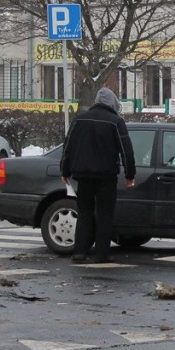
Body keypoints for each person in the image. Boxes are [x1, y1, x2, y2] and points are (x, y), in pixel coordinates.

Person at [60, 87, 136, 263]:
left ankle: (80, 252)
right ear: (112, 103)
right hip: (106, 176)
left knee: (84, 213)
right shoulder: (115, 122)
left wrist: (65, 171)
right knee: (105, 214)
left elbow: (68, 146)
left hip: (83, 176)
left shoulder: (79, 119)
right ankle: (101, 254)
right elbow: (126, 151)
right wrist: (130, 174)